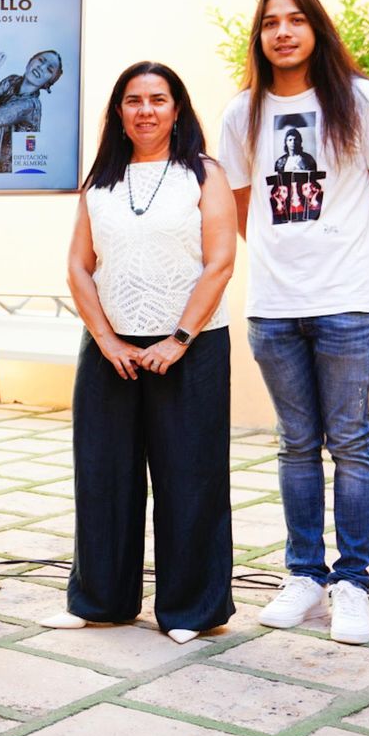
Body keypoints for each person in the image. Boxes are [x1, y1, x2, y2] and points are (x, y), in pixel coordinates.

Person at [219, 0, 369, 646]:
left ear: (316, 30)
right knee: (295, 445)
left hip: (347, 303)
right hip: (274, 308)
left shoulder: (362, 100)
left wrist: (349, 259)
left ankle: (352, 584)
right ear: (260, 37)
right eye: (270, 22)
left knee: (350, 443)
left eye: (295, 20)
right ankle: (305, 575)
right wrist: (287, 259)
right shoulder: (243, 112)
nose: (282, 32)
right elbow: (244, 205)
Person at [48, 61, 236, 644]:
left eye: (158, 99)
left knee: (190, 479)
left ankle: (190, 610)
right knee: (103, 477)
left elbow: (221, 261)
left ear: (177, 108)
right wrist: (105, 338)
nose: (145, 110)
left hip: (191, 348)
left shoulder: (204, 174)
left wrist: (178, 339)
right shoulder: (100, 180)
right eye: (133, 100)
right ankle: (101, 600)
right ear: (119, 112)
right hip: (110, 351)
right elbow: (80, 265)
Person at [0, 49, 65, 172]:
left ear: (48, 83)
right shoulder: (12, 81)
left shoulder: (30, 105)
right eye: (41, 60)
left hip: (8, 172)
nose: (41, 67)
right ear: (30, 62)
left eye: (49, 70)